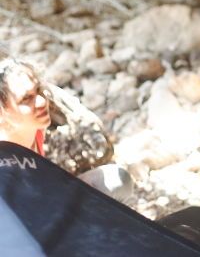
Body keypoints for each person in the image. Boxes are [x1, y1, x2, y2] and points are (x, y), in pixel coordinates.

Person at [0, 58, 133, 202]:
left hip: (47, 202)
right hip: (24, 217)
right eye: (26, 99)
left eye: (38, 90)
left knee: (117, 180)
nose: (42, 101)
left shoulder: (35, 129)